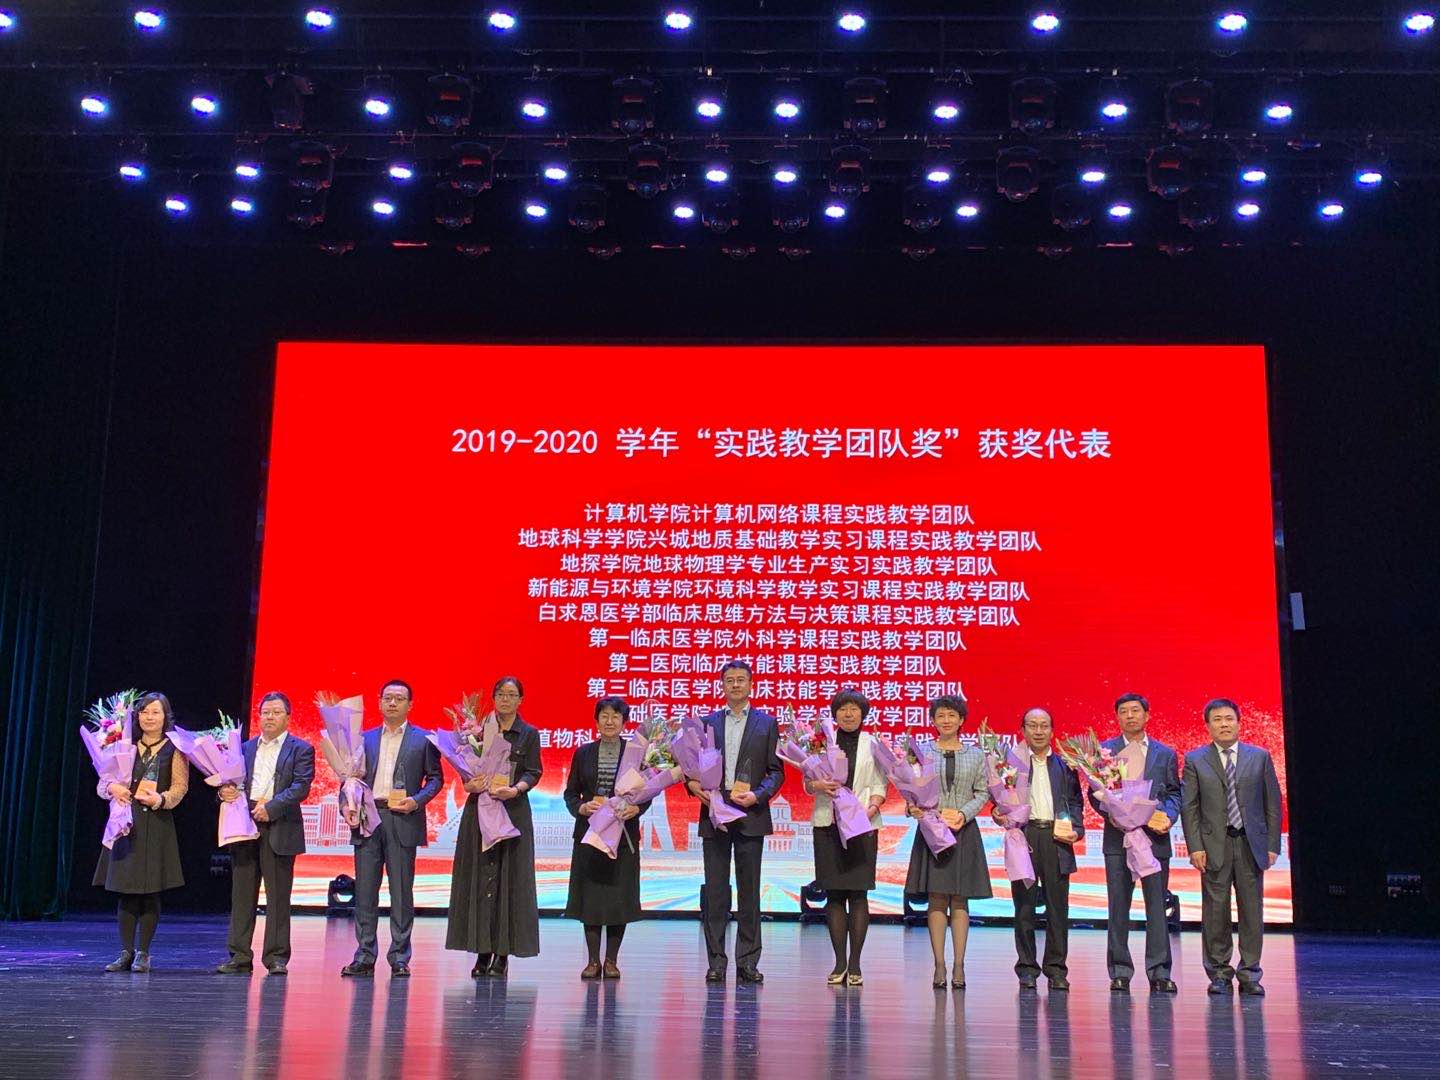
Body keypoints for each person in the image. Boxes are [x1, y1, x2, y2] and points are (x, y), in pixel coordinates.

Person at [684, 660, 784, 984]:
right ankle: (716, 962)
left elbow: (776, 771)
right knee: (715, 891)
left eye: (741, 679)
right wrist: (692, 784)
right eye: (730, 680)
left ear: (751, 685)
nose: (736, 685)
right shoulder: (707, 723)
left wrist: (758, 795)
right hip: (715, 811)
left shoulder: (767, 723)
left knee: (749, 891)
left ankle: (748, 961)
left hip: (750, 812)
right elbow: (690, 767)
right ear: (723, 685)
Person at [1180, 697, 1283, 996]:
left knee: (1252, 911)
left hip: (1251, 844)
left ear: (1239, 723)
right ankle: (1219, 974)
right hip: (1214, 845)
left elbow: (1272, 804)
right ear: (1208, 726)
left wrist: (1272, 844)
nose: (1223, 724)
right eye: (1217, 719)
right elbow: (1190, 807)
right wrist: (1195, 846)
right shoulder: (1195, 760)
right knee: (1216, 912)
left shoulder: (1259, 757)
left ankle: (1250, 973)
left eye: (1229, 718)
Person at [341, 679, 442, 978]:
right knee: (365, 891)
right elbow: (348, 777)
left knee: (401, 892)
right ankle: (364, 955)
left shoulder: (424, 739)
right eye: (388, 698)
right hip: (368, 818)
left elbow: (436, 779)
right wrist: (347, 804)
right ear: (379, 702)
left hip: (403, 818)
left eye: (399, 698)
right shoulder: (363, 739)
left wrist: (417, 801)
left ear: (410, 704)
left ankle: (399, 957)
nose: (393, 703)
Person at [446, 675, 543, 978]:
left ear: (520, 700)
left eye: (511, 694)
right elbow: (466, 772)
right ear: (494, 698)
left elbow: (533, 772)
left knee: (508, 881)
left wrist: (516, 789)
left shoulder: (528, 734)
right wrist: (470, 783)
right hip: (479, 811)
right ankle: (481, 951)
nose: (505, 699)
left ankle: (502, 955)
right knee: (480, 880)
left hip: (512, 811)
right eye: (500, 694)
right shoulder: (476, 731)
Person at [215, 691, 315, 976]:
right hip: (244, 825)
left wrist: (271, 808)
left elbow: (301, 786)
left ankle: (276, 957)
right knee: (242, 895)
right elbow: (229, 782)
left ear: (288, 717)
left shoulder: (301, 749)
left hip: (280, 825)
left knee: (278, 897)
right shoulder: (243, 748)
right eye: (265, 712)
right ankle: (239, 956)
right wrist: (224, 792)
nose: (270, 717)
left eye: (276, 712)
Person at [1091, 692, 1182, 994]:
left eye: (1135, 711)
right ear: (1117, 717)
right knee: (1118, 907)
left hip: (1154, 840)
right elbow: (1095, 795)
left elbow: (1174, 792)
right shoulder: (1105, 752)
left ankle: (1159, 972)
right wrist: (1113, 813)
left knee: (1157, 907)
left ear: (1147, 715)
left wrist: (1166, 815)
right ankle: (1120, 971)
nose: (1130, 716)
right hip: (1118, 840)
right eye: (1123, 712)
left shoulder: (1165, 753)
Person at [94, 691, 189, 973]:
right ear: (136, 716)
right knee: (126, 890)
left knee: (150, 891)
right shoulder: (123, 745)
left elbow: (180, 787)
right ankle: (126, 951)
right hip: (125, 823)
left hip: (157, 824)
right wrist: (113, 788)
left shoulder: (176, 748)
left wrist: (161, 799)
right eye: (145, 712)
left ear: (165, 716)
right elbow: (103, 783)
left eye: (155, 712)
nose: (149, 717)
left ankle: (144, 953)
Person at [903, 695, 992, 990]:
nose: (946, 720)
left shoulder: (976, 755)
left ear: (961, 720)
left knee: (960, 898)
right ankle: (939, 964)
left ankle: (959, 965)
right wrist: (916, 808)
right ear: (933, 720)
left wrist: (963, 814)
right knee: (937, 898)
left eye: (952, 715)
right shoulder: (921, 752)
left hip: (963, 830)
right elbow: (911, 789)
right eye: (940, 715)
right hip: (932, 830)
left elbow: (983, 792)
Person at [995, 707, 1084, 991]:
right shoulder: (1011, 765)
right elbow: (999, 799)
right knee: (1024, 906)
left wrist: (1077, 829)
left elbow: (1076, 802)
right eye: (1032, 725)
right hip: (1025, 835)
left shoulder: (1065, 765)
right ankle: (1027, 968)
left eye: (1044, 725)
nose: (1038, 731)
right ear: (1022, 731)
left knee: (1058, 908)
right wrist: (999, 814)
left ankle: (1056, 970)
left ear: (1052, 730)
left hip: (1058, 838)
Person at [563, 696, 651, 979]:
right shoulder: (583, 753)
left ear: (624, 722)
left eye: (615, 716)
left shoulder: (636, 754)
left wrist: (637, 809)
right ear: (597, 720)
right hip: (591, 834)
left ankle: (611, 960)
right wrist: (581, 807)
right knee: (591, 898)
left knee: (618, 898)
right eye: (604, 716)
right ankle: (592, 961)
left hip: (623, 836)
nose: (609, 721)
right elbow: (570, 793)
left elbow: (647, 792)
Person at [806, 689, 888, 986]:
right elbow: (807, 783)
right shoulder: (821, 743)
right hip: (827, 823)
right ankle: (839, 961)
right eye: (843, 709)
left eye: (854, 709)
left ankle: (855, 964)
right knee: (834, 893)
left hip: (862, 823)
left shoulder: (873, 744)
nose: (849, 714)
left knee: (858, 893)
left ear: (863, 714)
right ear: (835, 714)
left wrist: (871, 809)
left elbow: (880, 784)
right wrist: (816, 785)